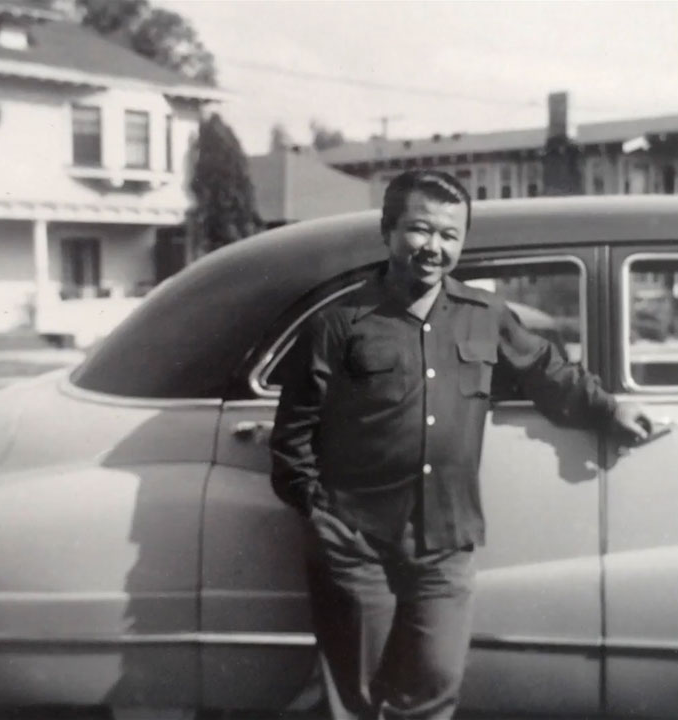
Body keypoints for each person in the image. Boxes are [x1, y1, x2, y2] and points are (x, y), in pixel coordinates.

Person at [270, 169, 653, 720]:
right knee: (355, 700)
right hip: (357, 540)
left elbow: (549, 372)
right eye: (420, 230)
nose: (434, 248)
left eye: (449, 235)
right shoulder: (340, 321)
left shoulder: (485, 316)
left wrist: (610, 407)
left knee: (434, 687)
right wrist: (320, 514)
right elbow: (293, 433)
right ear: (389, 231)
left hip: (445, 538)